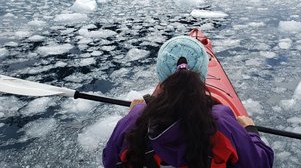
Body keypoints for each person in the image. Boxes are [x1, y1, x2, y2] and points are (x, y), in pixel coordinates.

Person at [103, 35, 274, 168]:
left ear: (161, 75)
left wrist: (133, 114)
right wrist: (250, 130)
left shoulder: (136, 118)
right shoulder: (221, 121)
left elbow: (109, 160)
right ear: (202, 73)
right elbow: (261, 163)